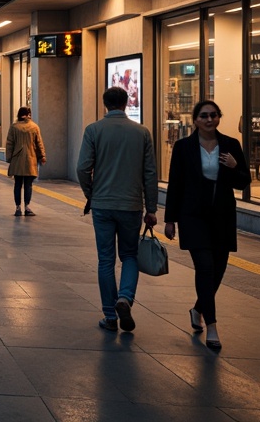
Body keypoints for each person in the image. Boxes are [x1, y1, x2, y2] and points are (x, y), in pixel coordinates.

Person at [164, 100, 250, 352]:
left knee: (219, 270)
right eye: (204, 116)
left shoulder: (231, 145)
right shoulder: (183, 147)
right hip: (193, 217)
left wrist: (235, 168)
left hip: (222, 216)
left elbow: (242, 183)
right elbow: (175, 184)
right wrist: (170, 219)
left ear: (219, 117)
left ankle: (199, 308)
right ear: (195, 120)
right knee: (205, 267)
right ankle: (211, 325)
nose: (209, 119)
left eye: (213, 115)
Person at [77, 86, 158, 333]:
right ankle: (125, 298)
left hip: (102, 204)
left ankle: (110, 315)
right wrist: (151, 208)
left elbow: (82, 168)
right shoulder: (142, 133)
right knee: (130, 255)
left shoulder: (93, 130)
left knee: (106, 259)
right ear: (126, 103)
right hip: (131, 205)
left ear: (105, 104)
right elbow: (150, 174)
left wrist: (91, 193)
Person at [4, 107, 45, 216]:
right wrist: (42, 156)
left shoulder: (14, 127)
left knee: (17, 184)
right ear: (28, 114)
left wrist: (9, 157)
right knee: (28, 185)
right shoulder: (34, 127)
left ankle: (18, 208)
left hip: (17, 159)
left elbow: (9, 143)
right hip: (30, 159)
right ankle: (27, 207)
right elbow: (39, 143)